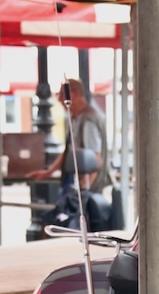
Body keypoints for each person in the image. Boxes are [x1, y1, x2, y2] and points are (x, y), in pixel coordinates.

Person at [33, 78, 112, 229]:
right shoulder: (75, 118)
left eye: (61, 95)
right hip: (76, 183)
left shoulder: (88, 120)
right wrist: (49, 172)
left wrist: (83, 190)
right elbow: (68, 151)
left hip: (86, 187)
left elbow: (96, 160)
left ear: (73, 94)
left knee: (70, 223)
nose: (59, 100)